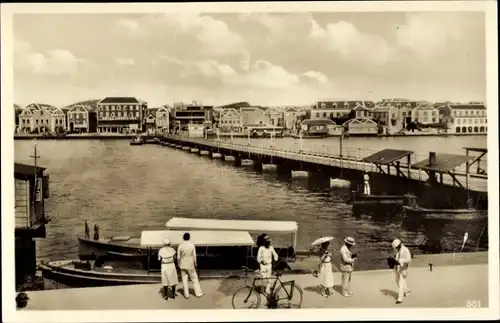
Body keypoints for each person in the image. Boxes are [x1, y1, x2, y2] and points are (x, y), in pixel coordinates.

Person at [177, 232, 204, 299]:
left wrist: (178, 264)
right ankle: (198, 293)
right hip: (190, 264)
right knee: (194, 279)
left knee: (184, 280)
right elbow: (194, 255)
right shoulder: (192, 245)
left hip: (182, 264)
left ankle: (186, 295)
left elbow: (178, 257)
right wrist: (195, 263)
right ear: (189, 238)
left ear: (183, 237)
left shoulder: (180, 245)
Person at [392, 239, 411, 304]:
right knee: (397, 281)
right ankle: (406, 291)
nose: (395, 248)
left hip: (403, 268)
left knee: (401, 282)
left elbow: (409, 259)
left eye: (396, 247)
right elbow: (397, 258)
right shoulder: (397, 250)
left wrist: (401, 260)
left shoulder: (405, 250)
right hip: (397, 267)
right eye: (395, 247)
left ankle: (400, 298)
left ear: (400, 244)